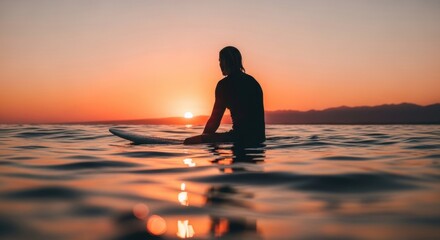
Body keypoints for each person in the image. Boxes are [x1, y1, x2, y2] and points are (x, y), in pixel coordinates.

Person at [184, 46, 265, 145]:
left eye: (220, 60)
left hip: (239, 137)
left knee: (188, 142)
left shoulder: (224, 85)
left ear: (227, 62)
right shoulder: (253, 82)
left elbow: (215, 120)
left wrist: (204, 139)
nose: (220, 64)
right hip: (259, 139)